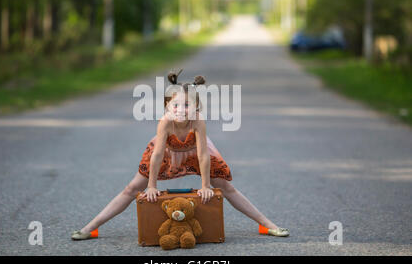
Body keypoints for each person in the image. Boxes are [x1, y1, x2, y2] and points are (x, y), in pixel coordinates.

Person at [71, 69, 289, 240]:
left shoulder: (198, 121)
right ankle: (91, 227)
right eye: (176, 105)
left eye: (187, 105)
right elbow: (157, 155)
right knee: (132, 188)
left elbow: (203, 155)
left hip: (195, 153)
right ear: (167, 106)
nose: (181, 109)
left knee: (225, 187)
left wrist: (205, 185)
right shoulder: (165, 122)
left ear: (196, 107)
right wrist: (152, 186)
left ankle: (266, 224)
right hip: (167, 154)